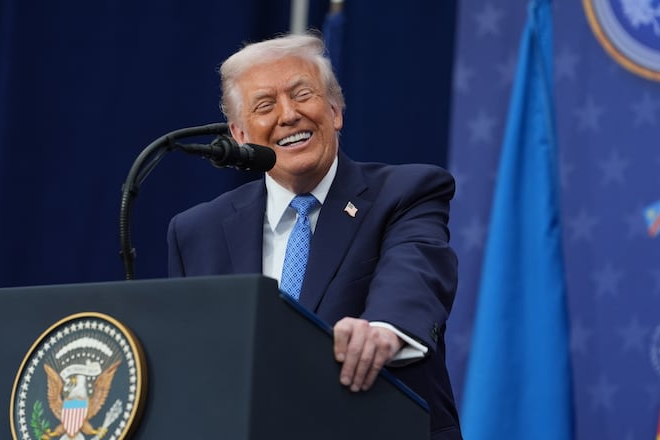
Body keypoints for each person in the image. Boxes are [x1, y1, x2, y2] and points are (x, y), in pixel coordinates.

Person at [167, 33, 461, 439]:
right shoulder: (197, 232)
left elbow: (415, 275)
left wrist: (381, 330)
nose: (288, 115)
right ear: (239, 134)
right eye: (265, 106)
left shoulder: (407, 192)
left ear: (335, 110)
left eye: (302, 94)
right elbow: (190, 362)